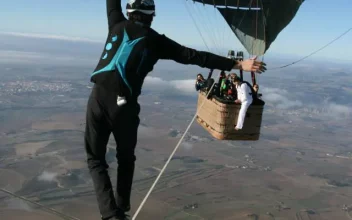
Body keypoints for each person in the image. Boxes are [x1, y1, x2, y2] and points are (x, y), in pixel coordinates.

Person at [84, 1, 266, 219]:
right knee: (125, 157)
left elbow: (112, 2)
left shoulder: (116, 24)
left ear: (130, 11)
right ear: (151, 15)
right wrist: (238, 65)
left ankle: (110, 214)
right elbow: (194, 56)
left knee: (96, 159)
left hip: (97, 99)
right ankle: (121, 209)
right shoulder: (156, 41)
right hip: (125, 107)